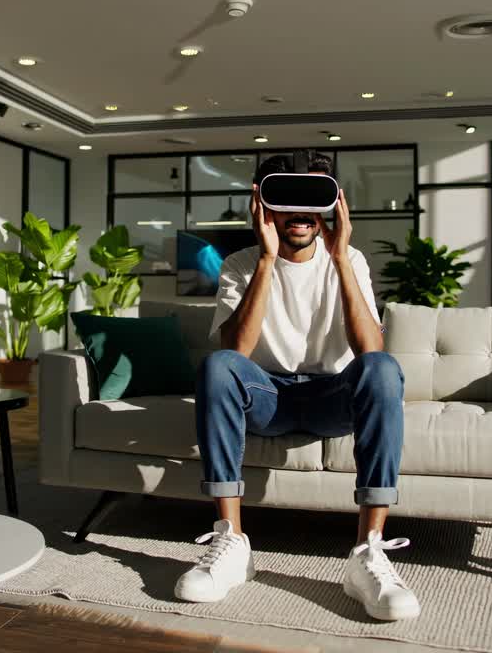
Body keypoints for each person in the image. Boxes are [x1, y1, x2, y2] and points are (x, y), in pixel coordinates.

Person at [174, 150, 419, 621]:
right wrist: (267, 259)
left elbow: (370, 350)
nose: (300, 214)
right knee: (217, 366)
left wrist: (341, 257)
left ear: (332, 205)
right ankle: (232, 540)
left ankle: (368, 550)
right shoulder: (241, 264)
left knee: (383, 369)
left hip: (331, 397)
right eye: (286, 201)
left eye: (312, 200)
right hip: (267, 398)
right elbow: (236, 352)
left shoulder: (351, 259)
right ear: (262, 205)